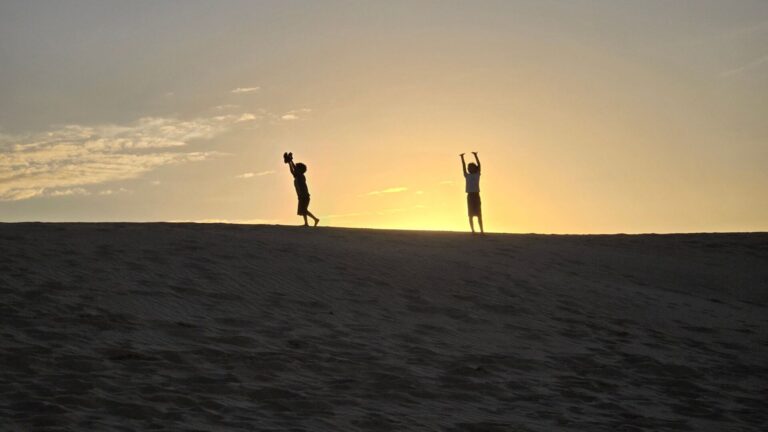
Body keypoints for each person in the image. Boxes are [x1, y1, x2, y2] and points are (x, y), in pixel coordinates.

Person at [284, 152, 320, 227]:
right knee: (303, 211)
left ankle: (315, 219)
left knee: (304, 210)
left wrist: (291, 160)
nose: (296, 169)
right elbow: (292, 171)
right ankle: (307, 223)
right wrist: (289, 163)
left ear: (300, 170)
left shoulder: (301, 176)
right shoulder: (297, 176)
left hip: (304, 196)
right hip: (301, 196)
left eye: (297, 168)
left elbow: (294, 168)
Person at [460, 151, 483, 234]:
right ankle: (473, 231)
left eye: (471, 167)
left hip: (476, 195)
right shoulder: (467, 175)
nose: (469, 169)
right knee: (470, 215)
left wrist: (476, 156)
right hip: (470, 195)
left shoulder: (477, 174)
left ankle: (481, 231)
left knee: (479, 214)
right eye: (468, 168)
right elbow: (463, 167)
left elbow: (479, 165)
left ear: (475, 168)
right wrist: (462, 158)